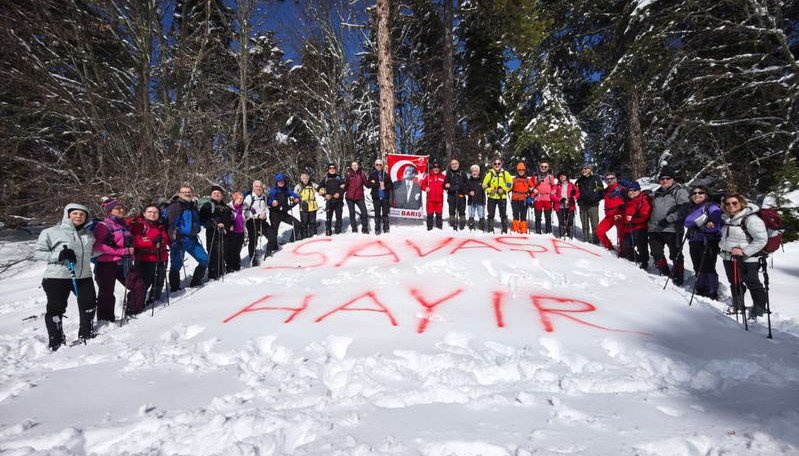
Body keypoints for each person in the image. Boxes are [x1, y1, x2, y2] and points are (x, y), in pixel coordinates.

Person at [34, 203, 97, 350]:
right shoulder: (51, 232)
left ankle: (86, 332)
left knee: (89, 304)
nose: (78, 216)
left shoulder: (88, 234)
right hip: (57, 277)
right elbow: (38, 253)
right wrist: (59, 255)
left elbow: (90, 253)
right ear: (67, 214)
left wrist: (111, 247)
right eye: (75, 213)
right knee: (56, 309)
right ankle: (56, 339)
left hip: (83, 276)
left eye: (82, 215)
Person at [93, 198, 146, 322]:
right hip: (106, 264)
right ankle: (105, 320)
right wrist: (122, 252)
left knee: (138, 285)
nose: (122, 210)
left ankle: (133, 311)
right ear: (109, 211)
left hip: (124, 263)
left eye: (122, 207)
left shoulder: (123, 225)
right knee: (106, 293)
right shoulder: (103, 225)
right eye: (117, 208)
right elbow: (97, 245)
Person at [720, 193, 768, 319]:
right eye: (728, 203)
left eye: (734, 203)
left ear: (741, 203)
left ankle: (760, 309)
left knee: (752, 283)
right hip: (729, 256)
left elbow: (762, 239)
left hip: (748, 258)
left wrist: (744, 251)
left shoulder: (751, 219)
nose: (731, 206)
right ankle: (738, 306)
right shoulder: (726, 218)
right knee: (735, 282)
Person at [648, 167, 690, 285]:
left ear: (673, 179)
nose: (665, 180)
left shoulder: (679, 191)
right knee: (656, 252)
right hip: (655, 228)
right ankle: (664, 271)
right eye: (662, 178)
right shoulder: (657, 192)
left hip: (673, 229)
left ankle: (678, 274)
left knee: (675, 254)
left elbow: (684, 209)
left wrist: (668, 219)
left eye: (667, 178)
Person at [167, 185, 209, 290]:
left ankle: (196, 281)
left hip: (192, 239)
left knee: (204, 259)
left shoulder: (193, 206)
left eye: (189, 192)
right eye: (184, 192)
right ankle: (175, 288)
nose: (187, 194)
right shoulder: (175, 206)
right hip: (179, 240)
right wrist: (173, 237)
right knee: (176, 265)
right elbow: (171, 224)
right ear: (179, 194)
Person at [684, 186, 722, 300]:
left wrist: (704, 227)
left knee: (708, 266)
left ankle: (712, 291)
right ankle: (701, 287)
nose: (697, 194)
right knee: (697, 265)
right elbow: (688, 223)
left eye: (701, 192)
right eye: (694, 193)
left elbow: (717, 225)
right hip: (694, 240)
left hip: (708, 241)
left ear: (706, 195)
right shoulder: (693, 208)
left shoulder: (711, 207)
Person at [130, 204, 169, 307]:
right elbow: (136, 241)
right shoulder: (139, 225)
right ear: (144, 213)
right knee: (142, 284)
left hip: (161, 257)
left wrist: (162, 240)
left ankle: (154, 301)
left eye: (155, 212)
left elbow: (166, 239)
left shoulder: (160, 225)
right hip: (145, 259)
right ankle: (134, 306)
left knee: (159, 282)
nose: (153, 214)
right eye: (150, 212)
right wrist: (152, 241)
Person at [199, 186, 231, 280]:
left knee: (222, 252)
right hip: (212, 233)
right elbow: (203, 219)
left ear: (221, 195)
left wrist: (228, 225)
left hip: (224, 232)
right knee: (213, 253)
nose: (216, 194)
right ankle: (213, 274)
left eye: (218, 193)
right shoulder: (208, 205)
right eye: (214, 193)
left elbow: (229, 218)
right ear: (211, 195)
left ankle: (221, 271)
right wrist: (214, 224)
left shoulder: (225, 206)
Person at [267, 173, 303, 248]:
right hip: (275, 214)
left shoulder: (286, 190)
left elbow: (295, 195)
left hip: (284, 214)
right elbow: (268, 200)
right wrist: (272, 202)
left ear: (284, 181)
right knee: (274, 232)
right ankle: (273, 247)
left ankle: (292, 241)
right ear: (276, 182)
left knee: (297, 224)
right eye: (279, 181)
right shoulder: (273, 190)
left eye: (282, 181)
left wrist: (297, 198)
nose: (281, 182)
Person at [621, 183, 651, 269]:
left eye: (633, 190)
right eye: (629, 190)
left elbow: (645, 213)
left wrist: (633, 219)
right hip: (629, 227)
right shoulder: (629, 200)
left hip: (640, 227)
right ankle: (635, 260)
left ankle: (644, 262)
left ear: (639, 191)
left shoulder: (644, 199)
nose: (631, 192)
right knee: (627, 245)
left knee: (641, 246)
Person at [595, 173, 626, 252]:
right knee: (599, 231)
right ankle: (610, 248)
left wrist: (622, 210)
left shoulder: (621, 189)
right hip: (609, 216)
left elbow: (628, 200)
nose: (609, 181)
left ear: (615, 179)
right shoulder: (606, 190)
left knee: (621, 235)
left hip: (619, 215)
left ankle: (624, 251)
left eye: (611, 179)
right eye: (607, 179)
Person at [243, 181, 270, 266]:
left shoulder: (264, 197)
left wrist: (265, 213)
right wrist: (257, 215)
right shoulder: (249, 198)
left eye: (260, 186)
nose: (258, 188)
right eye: (257, 186)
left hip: (262, 221)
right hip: (252, 221)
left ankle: (268, 256)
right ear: (253, 188)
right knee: (253, 240)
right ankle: (252, 258)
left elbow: (265, 208)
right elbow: (245, 212)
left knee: (272, 235)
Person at [482, 158, 513, 233]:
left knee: (503, 213)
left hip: (502, 197)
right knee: (491, 213)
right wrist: (490, 190)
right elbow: (484, 185)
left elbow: (510, 184)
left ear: (501, 164)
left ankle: (504, 229)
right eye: (495, 164)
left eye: (498, 163)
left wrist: (504, 189)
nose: (497, 165)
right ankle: (490, 229)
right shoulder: (490, 174)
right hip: (492, 197)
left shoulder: (505, 173)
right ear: (492, 164)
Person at [576, 165, 604, 243]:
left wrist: (595, 199)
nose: (584, 170)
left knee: (595, 224)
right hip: (583, 205)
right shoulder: (580, 180)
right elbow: (577, 192)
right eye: (582, 169)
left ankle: (596, 241)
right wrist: (579, 201)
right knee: (584, 224)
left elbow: (601, 191)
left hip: (593, 205)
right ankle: (586, 240)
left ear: (590, 170)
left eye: (586, 168)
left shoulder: (595, 178)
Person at [367, 159, 394, 234]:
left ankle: (386, 227)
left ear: (382, 165)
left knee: (385, 213)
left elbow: (391, 185)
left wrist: (384, 186)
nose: (378, 166)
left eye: (380, 165)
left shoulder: (386, 174)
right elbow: (368, 185)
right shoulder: (372, 174)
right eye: (377, 164)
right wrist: (378, 184)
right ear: (375, 165)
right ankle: (377, 228)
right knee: (377, 213)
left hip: (385, 197)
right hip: (376, 197)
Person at [551, 171, 580, 238]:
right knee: (561, 220)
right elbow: (552, 195)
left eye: (563, 175)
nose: (562, 177)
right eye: (560, 176)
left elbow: (578, 192)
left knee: (570, 220)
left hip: (570, 205)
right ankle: (562, 233)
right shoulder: (557, 186)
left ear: (566, 177)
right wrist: (559, 199)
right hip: (559, 205)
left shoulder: (571, 185)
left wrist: (574, 197)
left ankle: (570, 234)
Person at [530, 160, 556, 234]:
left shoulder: (550, 176)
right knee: (538, 216)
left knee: (548, 216)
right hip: (538, 198)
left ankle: (548, 231)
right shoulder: (535, 176)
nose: (543, 168)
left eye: (545, 166)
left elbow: (553, 186)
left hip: (547, 198)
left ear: (548, 167)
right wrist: (533, 190)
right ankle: (538, 231)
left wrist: (553, 191)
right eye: (542, 166)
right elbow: (531, 186)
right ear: (539, 167)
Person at [344, 160, 370, 234]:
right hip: (350, 197)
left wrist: (373, 182)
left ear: (358, 166)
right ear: (351, 167)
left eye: (356, 165)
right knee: (352, 213)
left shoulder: (361, 174)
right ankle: (354, 228)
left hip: (359, 197)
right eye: (353, 165)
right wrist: (340, 192)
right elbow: (345, 186)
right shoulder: (348, 175)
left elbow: (367, 184)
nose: (355, 166)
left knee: (364, 212)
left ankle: (365, 228)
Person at [320, 163, 345, 236]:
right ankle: (328, 230)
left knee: (339, 216)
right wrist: (325, 195)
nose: (332, 169)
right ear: (328, 169)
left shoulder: (339, 177)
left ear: (335, 169)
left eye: (333, 168)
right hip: (329, 201)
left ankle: (338, 230)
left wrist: (339, 193)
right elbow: (319, 188)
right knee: (328, 216)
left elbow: (344, 188)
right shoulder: (326, 178)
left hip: (338, 200)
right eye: (330, 168)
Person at [421, 161, 446, 230]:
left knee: (439, 214)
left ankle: (439, 227)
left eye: (437, 167)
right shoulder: (428, 176)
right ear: (432, 168)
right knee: (430, 214)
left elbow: (446, 185)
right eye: (434, 167)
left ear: (439, 169)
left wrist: (447, 186)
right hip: (430, 200)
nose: (436, 169)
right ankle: (429, 227)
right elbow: (422, 185)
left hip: (439, 200)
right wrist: (425, 188)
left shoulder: (443, 177)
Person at [444, 159, 468, 230]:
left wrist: (461, 187)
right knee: (452, 209)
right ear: (451, 165)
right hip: (452, 194)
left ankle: (462, 223)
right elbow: (445, 184)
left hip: (461, 194)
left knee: (461, 210)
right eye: (453, 164)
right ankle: (452, 222)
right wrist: (447, 185)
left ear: (458, 164)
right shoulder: (449, 173)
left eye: (456, 164)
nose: (454, 165)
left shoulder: (462, 173)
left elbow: (467, 184)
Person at [226, 192, 246, 272]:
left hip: (241, 231)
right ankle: (229, 266)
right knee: (231, 250)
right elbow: (226, 218)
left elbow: (250, 214)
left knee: (238, 249)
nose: (240, 200)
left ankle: (237, 265)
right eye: (238, 198)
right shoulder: (229, 207)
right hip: (232, 232)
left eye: (241, 198)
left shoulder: (244, 207)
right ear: (234, 198)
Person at [510, 162, 533, 234]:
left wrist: (531, 198)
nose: (521, 171)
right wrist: (507, 187)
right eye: (519, 170)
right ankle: (515, 230)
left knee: (523, 215)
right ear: (517, 171)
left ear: (525, 170)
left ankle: (523, 230)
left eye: (522, 170)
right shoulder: (513, 179)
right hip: (515, 199)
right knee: (515, 215)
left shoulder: (528, 180)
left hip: (524, 200)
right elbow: (509, 188)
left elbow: (533, 190)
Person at [295, 173, 320, 238]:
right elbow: (294, 194)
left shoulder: (312, 185)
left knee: (312, 222)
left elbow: (320, 188)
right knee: (304, 222)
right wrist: (294, 199)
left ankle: (314, 235)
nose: (305, 180)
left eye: (307, 178)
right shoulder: (298, 186)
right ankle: (304, 236)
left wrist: (322, 190)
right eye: (304, 178)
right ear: (301, 179)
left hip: (313, 206)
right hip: (303, 206)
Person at [466, 164, 486, 231]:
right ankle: (471, 225)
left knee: (481, 214)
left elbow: (487, 186)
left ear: (478, 172)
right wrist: (469, 192)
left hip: (480, 201)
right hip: (471, 201)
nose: (474, 172)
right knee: (471, 214)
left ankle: (482, 226)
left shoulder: (482, 180)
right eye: (473, 171)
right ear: (471, 172)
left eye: (476, 171)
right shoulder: (469, 180)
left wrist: (486, 186)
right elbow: (466, 189)